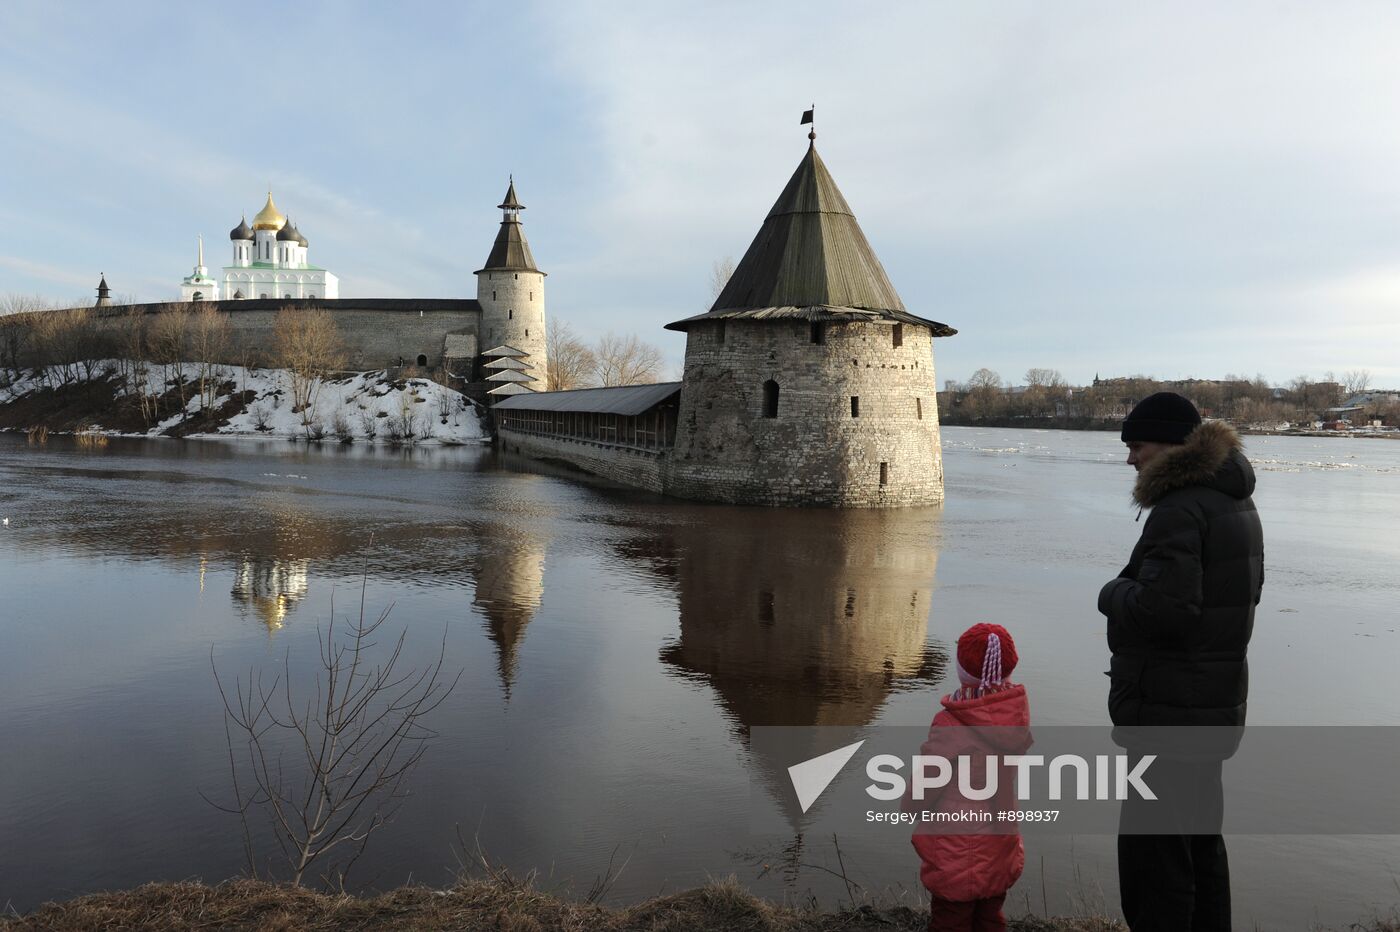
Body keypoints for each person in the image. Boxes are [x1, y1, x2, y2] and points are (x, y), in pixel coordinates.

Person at [1098, 392, 1264, 932]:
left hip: (1167, 715)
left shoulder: (1179, 508)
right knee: (1199, 849)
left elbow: (1164, 610)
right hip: (1209, 707)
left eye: (1136, 446)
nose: (1130, 459)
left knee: (1155, 866)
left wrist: (1111, 593)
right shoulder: (1231, 499)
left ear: (1170, 446)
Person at [911, 623, 1032, 932]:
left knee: (951, 922)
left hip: (954, 851)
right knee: (990, 918)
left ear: (962, 671)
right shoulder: (1014, 720)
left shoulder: (950, 723)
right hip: (1000, 843)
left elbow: (925, 786)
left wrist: (911, 805)